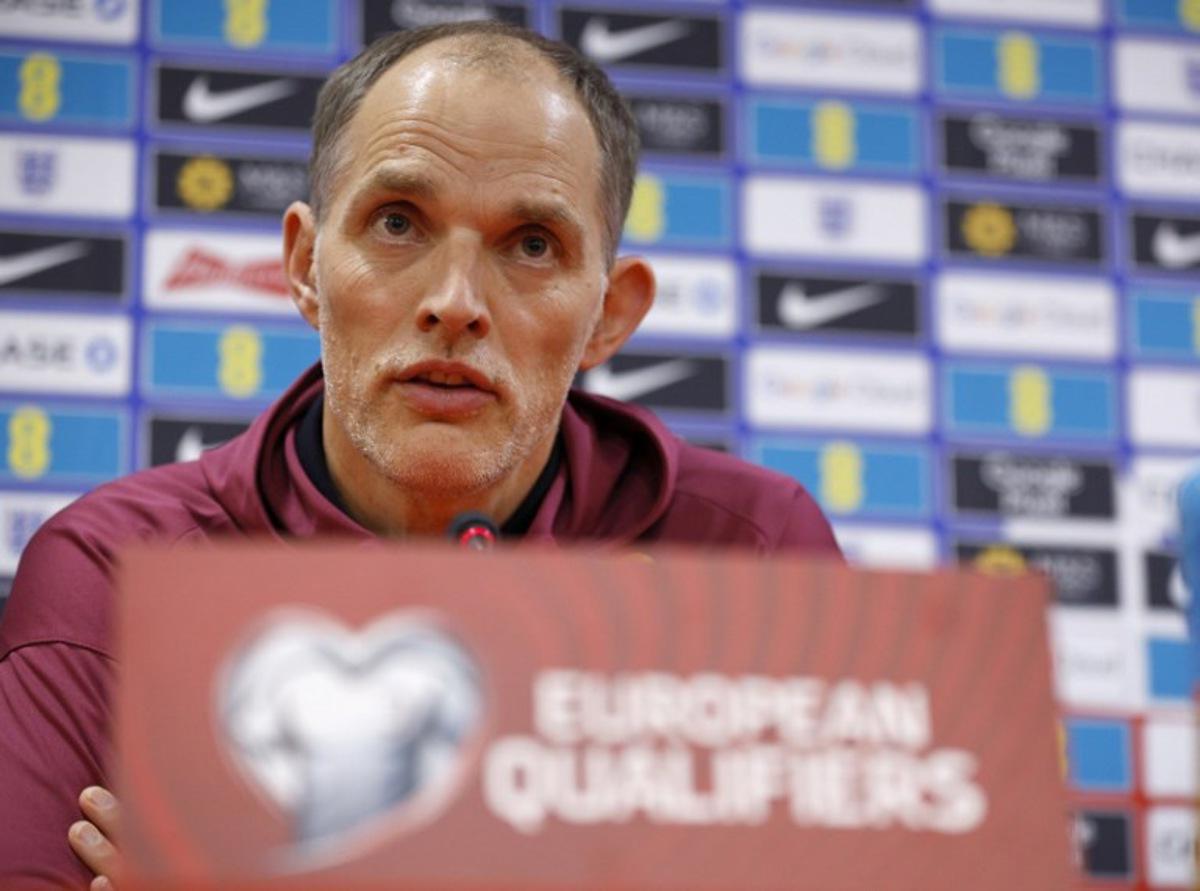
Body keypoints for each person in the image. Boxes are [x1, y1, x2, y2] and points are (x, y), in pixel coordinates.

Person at [0, 21, 840, 888]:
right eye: (398, 222)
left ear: (609, 314)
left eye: (533, 243)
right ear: (305, 267)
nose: (455, 301)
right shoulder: (115, 571)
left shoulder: (753, 553)